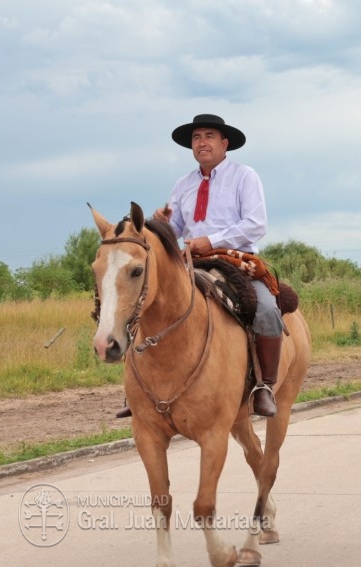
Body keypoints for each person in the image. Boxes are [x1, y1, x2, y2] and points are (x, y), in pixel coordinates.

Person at [116, 114, 282, 419]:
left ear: (224, 143)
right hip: (191, 261)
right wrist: (164, 225)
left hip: (235, 259)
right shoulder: (183, 184)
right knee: (146, 303)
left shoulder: (245, 176)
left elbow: (256, 224)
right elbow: (176, 228)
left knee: (268, 310)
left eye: (208, 136)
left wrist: (212, 239)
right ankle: (136, 389)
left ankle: (264, 385)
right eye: (196, 138)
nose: (202, 143)